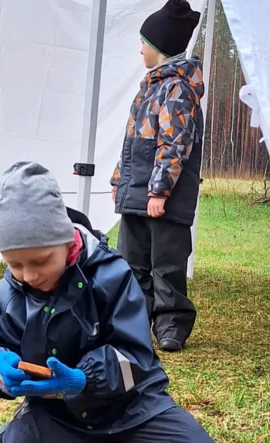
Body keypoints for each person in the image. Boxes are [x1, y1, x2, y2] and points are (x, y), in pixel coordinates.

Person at [0, 161, 222, 443]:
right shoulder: (6, 294)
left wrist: (82, 380)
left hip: (131, 408)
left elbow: (135, 358)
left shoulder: (113, 275)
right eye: (15, 264)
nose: (29, 275)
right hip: (59, 416)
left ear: (65, 240)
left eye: (40, 261)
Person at [111, 0, 203, 353]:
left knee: (166, 263)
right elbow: (131, 140)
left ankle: (171, 324)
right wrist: (119, 179)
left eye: (144, 43)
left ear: (161, 48)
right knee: (131, 263)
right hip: (136, 195)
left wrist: (160, 191)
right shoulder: (148, 87)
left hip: (163, 199)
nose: (140, 49)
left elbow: (175, 143)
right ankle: (133, 324)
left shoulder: (177, 89)